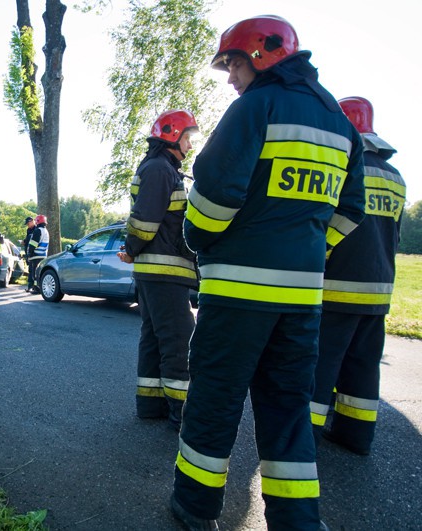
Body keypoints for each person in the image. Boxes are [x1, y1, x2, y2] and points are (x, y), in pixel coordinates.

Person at [171, 15, 365, 531]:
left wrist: (199, 240)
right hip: (301, 300)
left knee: (215, 399)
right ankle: (298, 520)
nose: (230, 77)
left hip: (236, 294)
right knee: (287, 410)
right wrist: (306, 250)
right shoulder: (339, 123)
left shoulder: (255, 107)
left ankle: (194, 508)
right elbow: (351, 211)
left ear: (262, 54)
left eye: (232, 63)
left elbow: (213, 194)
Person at [310, 97, 407, 456]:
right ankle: (356, 435)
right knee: (363, 366)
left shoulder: (344, 165)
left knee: (321, 364)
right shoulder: (395, 176)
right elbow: (392, 234)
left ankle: (305, 435)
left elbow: (332, 224)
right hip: (378, 290)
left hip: (336, 288)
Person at [116, 110, 199, 430]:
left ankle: (151, 404)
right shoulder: (160, 170)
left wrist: (135, 251)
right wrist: (132, 248)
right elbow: (145, 221)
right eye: (188, 138)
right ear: (172, 135)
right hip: (165, 273)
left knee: (154, 338)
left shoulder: (159, 169)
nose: (190, 146)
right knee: (178, 340)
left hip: (157, 271)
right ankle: (181, 412)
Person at [26, 214, 49, 293]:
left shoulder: (38, 230)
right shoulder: (45, 231)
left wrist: (29, 253)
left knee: (35, 273)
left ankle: (36, 288)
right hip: (43, 255)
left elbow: (33, 243)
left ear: (37, 222)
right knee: (39, 272)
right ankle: (39, 288)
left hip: (36, 255)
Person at [22, 216, 36, 292]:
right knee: (30, 269)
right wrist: (24, 241)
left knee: (32, 270)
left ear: (32, 221)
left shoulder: (36, 229)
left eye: (28, 223)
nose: (28, 225)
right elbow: (27, 239)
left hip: (33, 253)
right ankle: (30, 286)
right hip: (28, 251)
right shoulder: (28, 230)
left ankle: (32, 286)